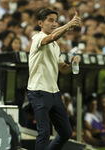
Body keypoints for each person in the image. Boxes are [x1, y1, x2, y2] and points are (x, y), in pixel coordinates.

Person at [27, 8, 81, 150]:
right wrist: (69, 25)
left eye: (56, 21)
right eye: (50, 20)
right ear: (40, 23)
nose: (54, 24)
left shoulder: (55, 45)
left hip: (54, 92)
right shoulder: (38, 38)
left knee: (66, 132)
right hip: (38, 91)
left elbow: (63, 69)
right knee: (44, 133)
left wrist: (72, 64)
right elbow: (50, 37)